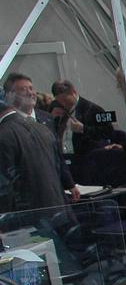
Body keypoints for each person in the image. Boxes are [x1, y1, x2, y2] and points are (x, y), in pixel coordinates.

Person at [0, 82, 73, 214]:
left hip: (27, 219)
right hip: (57, 211)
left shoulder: (4, 135)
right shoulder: (41, 128)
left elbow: (6, 187)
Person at [50, 79, 116, 159]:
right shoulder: (55, 107)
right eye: (59, 101)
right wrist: (51, 118)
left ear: (74, 92)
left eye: (65, 100)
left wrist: (84, 129)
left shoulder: (94, 109)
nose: (63, 104)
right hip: (64, 158)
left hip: (86, 158)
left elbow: (109, 132)